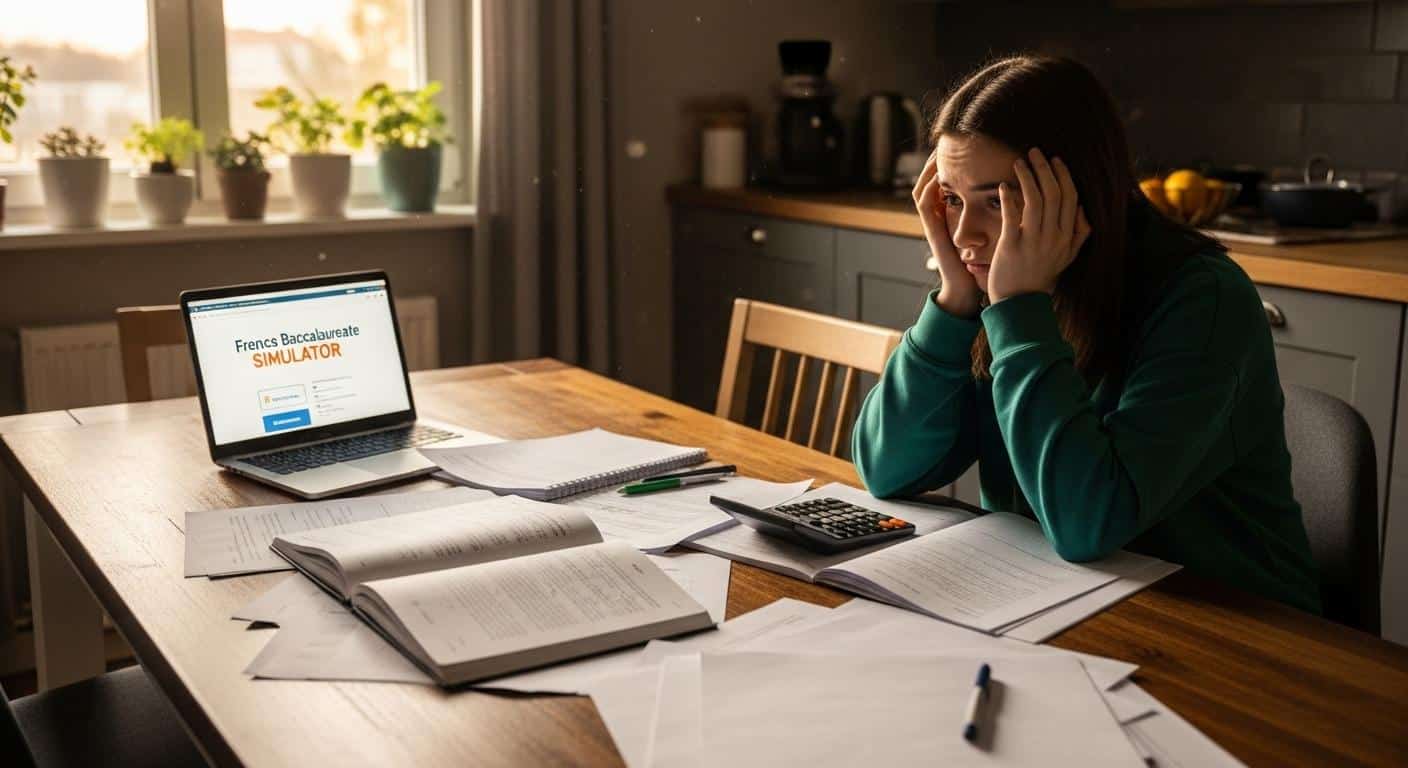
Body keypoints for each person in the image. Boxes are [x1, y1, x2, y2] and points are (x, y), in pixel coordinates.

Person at [852, 55, 1320, 614]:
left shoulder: (1204, 300)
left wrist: (1018, 312)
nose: (962, 235)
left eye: (996, 202)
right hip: (1063, 597)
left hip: (1236, 624)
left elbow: (1088, 525)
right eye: (951, 199)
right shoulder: (993, 287)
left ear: (1073, 193)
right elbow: (886, 468)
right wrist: (954, 299)